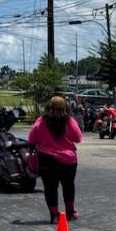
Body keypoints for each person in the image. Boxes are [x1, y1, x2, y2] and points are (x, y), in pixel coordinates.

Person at [28, 96, 83, 224]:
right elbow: (78, 138)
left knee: (50, 187)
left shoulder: (41, 121)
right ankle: (70, 213)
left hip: (46, 158)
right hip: (67, 159)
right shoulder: (69, 121)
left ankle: (54, 215)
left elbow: (31, 139)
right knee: (68, 186)